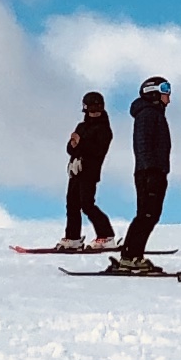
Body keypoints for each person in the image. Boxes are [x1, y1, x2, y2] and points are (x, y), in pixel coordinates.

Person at [117, 75, 172, 263]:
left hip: (153, 170)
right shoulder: (148, 114)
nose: (169, 98)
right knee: (147, 215)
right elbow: (143, 143)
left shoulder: (153, 114)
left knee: (149, 215)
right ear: (154, 92)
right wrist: (151, 171)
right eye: (166, 91)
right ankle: (131, 256)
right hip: (150, 172)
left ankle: (132, 256)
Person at [61, 88, 113, 249]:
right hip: (76, 171)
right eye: (91, 108)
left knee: (87, 204)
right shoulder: (81, 126)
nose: (94, 112)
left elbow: (98, 150)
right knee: (72, 204)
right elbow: (71, 148)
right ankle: (72, 237)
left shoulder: (104, 129)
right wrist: (74, 145)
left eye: (97, 108)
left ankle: (106, 235)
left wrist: (80, 143)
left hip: (90, 171)